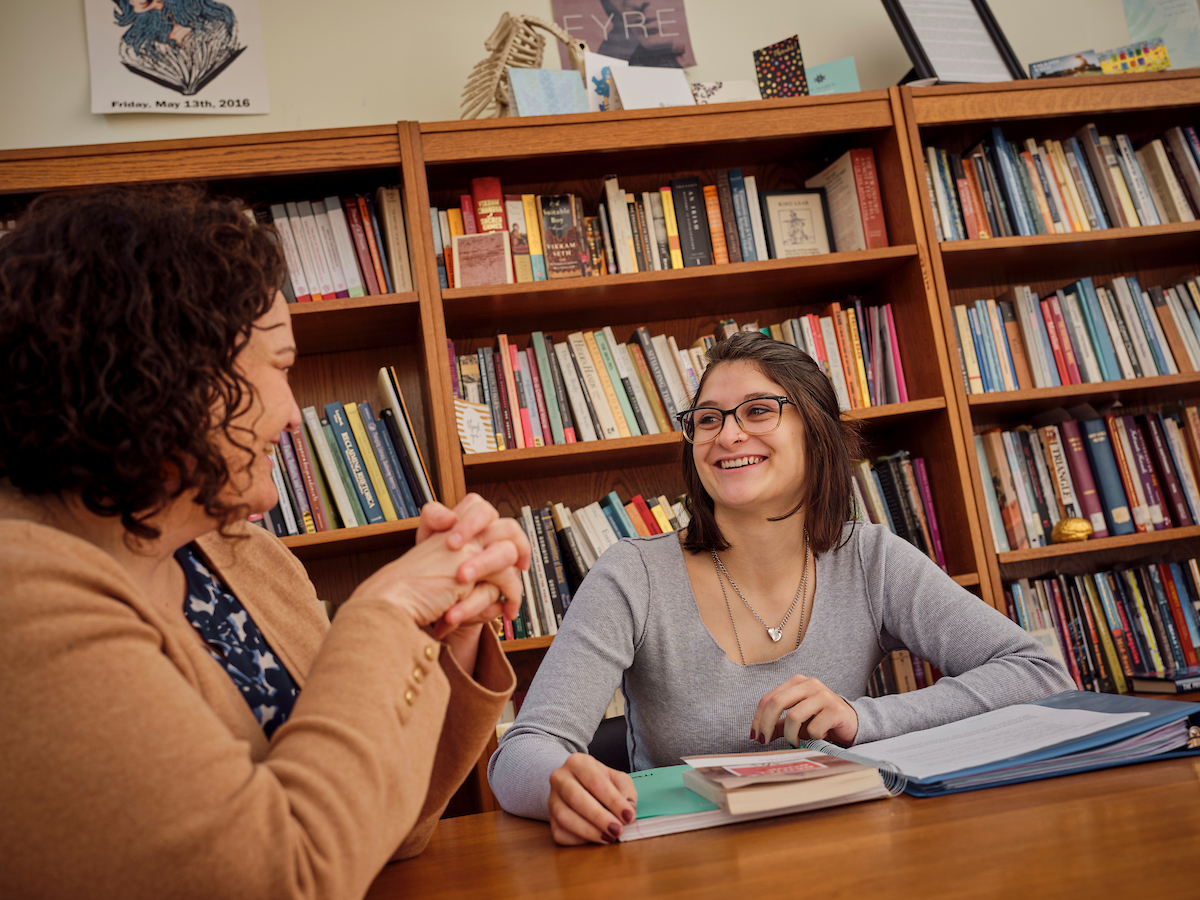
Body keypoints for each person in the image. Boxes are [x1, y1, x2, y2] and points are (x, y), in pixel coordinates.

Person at [0, 186, 530, 899]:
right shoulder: (21, 596)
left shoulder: (243, 557)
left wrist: (447, 625)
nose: (294, 415)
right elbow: (282, 879)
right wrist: (384, 612)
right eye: (280, 365)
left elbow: (386, 829)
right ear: (171, 374)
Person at [488, 331, 1073, 845]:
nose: (727, 434)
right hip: (681, 869)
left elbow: (1039, 673)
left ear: (814, 431)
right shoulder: (631, 575)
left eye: (758, 410)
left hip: (845, 852)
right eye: (709, 418)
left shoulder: (871, 558)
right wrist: (561, 785)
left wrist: (861, 720)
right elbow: (523, 749)